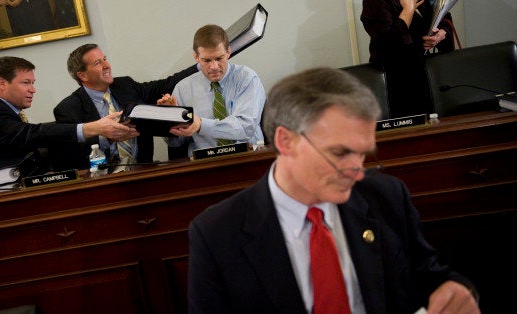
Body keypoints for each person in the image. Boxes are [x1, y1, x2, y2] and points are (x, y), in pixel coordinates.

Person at [187, 67, 480, 313]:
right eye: (340, 153)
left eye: (363, 153)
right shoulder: (218, 233)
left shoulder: (386, 198)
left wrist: (455, 290)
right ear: (286, 141)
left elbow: (430, 276)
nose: (356, 170)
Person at [0, 56, 138, 172]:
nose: (33, 89)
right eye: (26, 83)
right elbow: (34, 134)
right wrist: (93, 127)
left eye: (32, 83)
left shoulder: (6, 111)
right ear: (2, 83)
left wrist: (104, 137)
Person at [51, 43, 199, 171]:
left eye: (105, 59)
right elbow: (69, 157)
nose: (107, 66)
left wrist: (202, 63)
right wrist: (107, 139)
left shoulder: (126, 85)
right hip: (103, 182)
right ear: (82, 76)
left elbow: (166, 84)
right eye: (97, 63)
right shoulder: (67, 109)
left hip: (144, 172)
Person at [157, 24, 265, 157]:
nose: (214, 66)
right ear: (196, 57)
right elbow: (176, 143)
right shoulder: (182, 88)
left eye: (219, 58)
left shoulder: (247, 79)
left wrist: (201, 124)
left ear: (228, 52)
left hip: (249, 158)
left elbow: (245, 127)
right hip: (205, 164)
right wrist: (169, 121)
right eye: (206, 60)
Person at [361, 0, 455, 118]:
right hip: (395, 80)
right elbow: (388, 42)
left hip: (425, 73)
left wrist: (441, 33)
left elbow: (443, 15)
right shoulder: (374, 2)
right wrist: (408, 10)